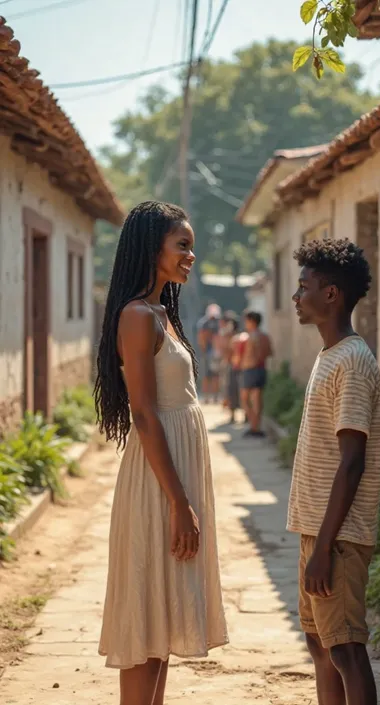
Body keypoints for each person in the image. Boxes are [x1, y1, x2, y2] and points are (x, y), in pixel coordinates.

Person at [94, 201, 228, 705]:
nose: (191, 255)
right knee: (146, 623)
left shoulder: (162, 314)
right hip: (157, 483)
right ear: (153, 249)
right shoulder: (136, 316)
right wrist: (178, 503)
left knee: (163, 625)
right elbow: (145, 415)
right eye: (183, 246)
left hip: (175, 477)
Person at [287, 238, 380, 705]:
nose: (295, 295)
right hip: (318, 531)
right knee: (321, 645)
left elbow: (352, 463)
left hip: (338, 537)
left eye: (303, 286)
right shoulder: (330, 356)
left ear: (331, 294)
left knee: (346, 649)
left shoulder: (353, 362)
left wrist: (325, 548)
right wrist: (314, 541)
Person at [240, 311, 272, 437]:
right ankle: (256, 426)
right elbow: (269, 352)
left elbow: (251, 356)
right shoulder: (265, 336)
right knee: (257, 399)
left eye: (247, 321)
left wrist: (248, 363)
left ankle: (254, 427)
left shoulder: (251, 337)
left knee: (245, 399)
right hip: (261, 369)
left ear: (252, 321)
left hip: (251, 370)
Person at [197, 303, 221, 403]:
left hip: (215, 352)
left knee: (215, 375)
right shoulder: (204, 323)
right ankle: (207, 397)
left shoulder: (217, 322)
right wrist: (203, 350)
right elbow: (201, 337)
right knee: (207, 375)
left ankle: (214, 397)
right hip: (207, 352)